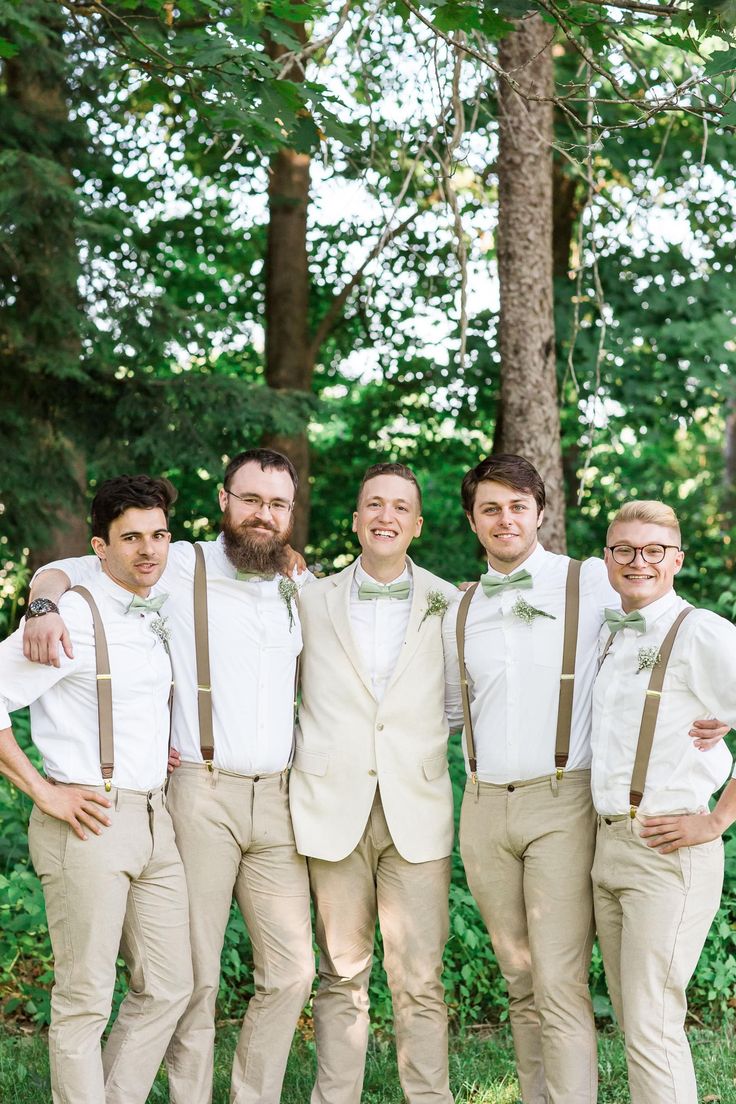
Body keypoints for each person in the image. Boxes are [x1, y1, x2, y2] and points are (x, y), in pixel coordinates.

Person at [25, 449, 314, 1104]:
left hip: (278, 800)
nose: (262, 515)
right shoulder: (174, 563)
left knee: (294, 972)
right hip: (199, 795)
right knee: (195, 982)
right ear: (224, 501)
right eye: (250, 499)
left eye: (277, 503)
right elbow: (63, 572)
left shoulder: (299, 584)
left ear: (289, 512)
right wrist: (42, 609)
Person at [442, 454, 724, 1104]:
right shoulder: (457, 610)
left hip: (563, 803)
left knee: (562, 981)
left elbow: (672, 631)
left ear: (542, 513)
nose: (505, 518)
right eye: (491, 507)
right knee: (520, 980)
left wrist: (717, 743)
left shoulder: (596, 582)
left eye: (518, 505)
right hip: (484, 811)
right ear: (472, 521)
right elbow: (451, 710)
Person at [0, 475, 192, 1104]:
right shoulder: (70, 616)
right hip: (87, 820)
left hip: (154, 819)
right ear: (99, 548)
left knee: (168, 985)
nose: (149, 550)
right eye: (131, 537)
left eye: (159, 535)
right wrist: (43, 791)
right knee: (85, 1000)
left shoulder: (156, 607)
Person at [290, 461, 459, 1104]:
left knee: (420, 978)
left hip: (416, 809)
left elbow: (454, 703)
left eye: (399, 507)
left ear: (416, 524)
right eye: (373, 504)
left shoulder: (451, 602)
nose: (385, 516)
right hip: (332, 808)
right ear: (356, 518)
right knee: (340, 973)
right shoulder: (307, 597)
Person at [591, 499, 736, 1104]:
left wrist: (718, 820)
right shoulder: (608, 630)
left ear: (677, 558)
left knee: (652, 1024)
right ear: (607, 558)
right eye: (623, 548)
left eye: (653, 550)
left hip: (666, 851)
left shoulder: (701, 631)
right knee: (634, 1019)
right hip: (607, 847)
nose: (637, 561)